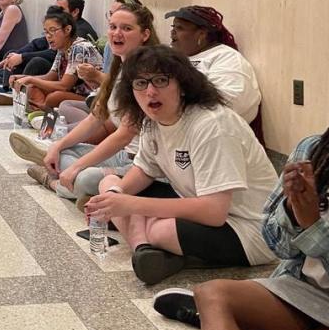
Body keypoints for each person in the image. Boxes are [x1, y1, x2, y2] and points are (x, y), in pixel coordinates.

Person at [154, 59, 329, 330]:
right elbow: (273, 241)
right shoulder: (317, 151)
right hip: (300, 290)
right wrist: (294, 217)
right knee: (212, 294)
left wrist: (314, 227)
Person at [86, 45, 277, 285]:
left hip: (250, 229)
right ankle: (145, 251)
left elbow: (214, 212)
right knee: (110, 184)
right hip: (202, 206)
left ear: (183, 85)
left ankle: (154, 245)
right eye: (141, 83)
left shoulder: (211, 125)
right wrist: (113, 201)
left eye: (161, 80)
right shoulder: (153, 121)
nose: (151, 92)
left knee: (159, 228)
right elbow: (144, 170)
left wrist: (129, 205)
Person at [11, 0, 158, 204]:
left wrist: (77, 167)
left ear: (145, 34)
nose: (117, 34)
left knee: (85, 177)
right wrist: (58, 146)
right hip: (122, 154)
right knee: (61, 152)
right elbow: (95, 117)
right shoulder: (119, 66)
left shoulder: (145, 73)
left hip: (142, 164)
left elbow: (124, 135)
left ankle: (54, 183)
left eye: (126, 28)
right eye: (113, 27)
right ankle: (73, 177)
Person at [166, 5, 262, 126]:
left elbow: (228, 104)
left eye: (180, 28)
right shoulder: (169, 55)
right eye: (173, 26)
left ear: (201, 34)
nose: (172, 32)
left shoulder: (226, 57)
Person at [10, 7, 101, 110]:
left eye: (52, 31)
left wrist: (31, 79)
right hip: (76, 93)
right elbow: (49, 77)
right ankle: (40, 107)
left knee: (54, 97)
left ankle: (42, 108)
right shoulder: (62, 49)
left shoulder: (80, 48)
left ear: (67, 30)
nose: (48, 36)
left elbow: (64, 86)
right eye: (46, 32)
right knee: (32, 88)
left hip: (94, 97)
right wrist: (22, 77)